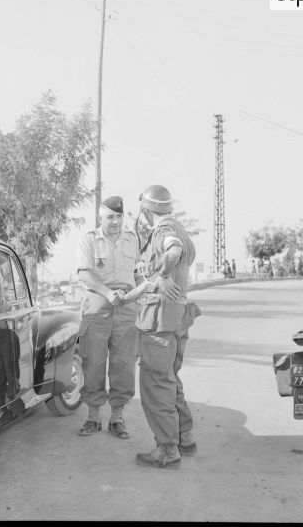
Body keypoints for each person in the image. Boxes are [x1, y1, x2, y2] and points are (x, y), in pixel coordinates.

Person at [124, 185, 201, 469]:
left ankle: (167, 449)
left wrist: (164, 274)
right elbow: (154, 279)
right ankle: (185, 436)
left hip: (160, 321)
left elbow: (172, 251)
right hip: (176, 316)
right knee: (170, 378)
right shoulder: (180, 226)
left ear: (146, 210)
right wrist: (128, 297)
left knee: (156, 383)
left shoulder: (163, 230)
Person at [76, 196, 141, 439]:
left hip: (126, 306)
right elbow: (85, 274)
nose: (115, 222)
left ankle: (117, 417)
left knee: (123, 364)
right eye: (110, 217)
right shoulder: (89, 240)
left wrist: (143, 293)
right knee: (93, 362)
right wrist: (107, 292)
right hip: (98, 304)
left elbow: (138, 272)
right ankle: (93, 416)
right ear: (100, 218)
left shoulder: (132, 239)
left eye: (119, 217)